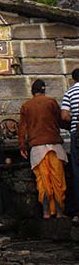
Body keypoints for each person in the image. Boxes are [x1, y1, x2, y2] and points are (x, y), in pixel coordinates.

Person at [18, 79, 67, 219]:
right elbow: (60, 120)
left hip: (37, 148)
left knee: (42, 181)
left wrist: (22, 146)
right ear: (44, 90)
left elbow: (22, 129)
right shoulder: (51, 102)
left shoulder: (26, 106)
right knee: (58, 180)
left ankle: (46, 212)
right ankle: (59, 213)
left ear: (32, 92)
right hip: (54, 145)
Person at [61, 68, 79, 219]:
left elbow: (65, 116)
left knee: (77, 171)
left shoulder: (70, 92)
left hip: (77, 133)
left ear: (73, 79)